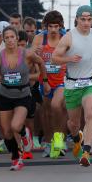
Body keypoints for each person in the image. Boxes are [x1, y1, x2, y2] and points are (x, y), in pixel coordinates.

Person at [52, 5, 92, 167]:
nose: (86, 23)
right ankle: (76, 137)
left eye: (89, 19)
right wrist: (69, 59)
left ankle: (86, 151)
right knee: (73, 123)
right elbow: (54, 59)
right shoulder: (69, 38)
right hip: (72, 84)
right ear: (76, 19)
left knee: (90, 114)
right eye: (83, 19)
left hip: (91, 81)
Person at [0, 26, 42, 171]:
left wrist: (44, 79)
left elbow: (41, 63)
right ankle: (16, 157)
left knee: (15, 126)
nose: (10, 40)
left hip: (23, 94)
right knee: (6, 132)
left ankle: (25, 135)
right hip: (5, 95)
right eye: (7, 38)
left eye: (12, 37)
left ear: (17, 38)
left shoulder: (27, 54)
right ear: (4, 40)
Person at [30, 11, 68, 159]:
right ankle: (48, 141)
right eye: (50, 26)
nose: (53, 30)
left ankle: (60, 139)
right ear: (46, 27)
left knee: (58, 107)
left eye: (56, 26)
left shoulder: (65, 38)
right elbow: (30, 59)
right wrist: (35, 54)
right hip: (45, 80)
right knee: (46, 113)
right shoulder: (39, 38)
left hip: (61, 80)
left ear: (60, 26)